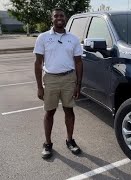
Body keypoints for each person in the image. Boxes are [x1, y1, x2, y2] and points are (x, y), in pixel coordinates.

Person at [33, 8, 83, 159]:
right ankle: (47, 144)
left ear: (65, 18)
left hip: (69, 79)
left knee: (69, 111)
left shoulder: (73, 39)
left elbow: (79, 63)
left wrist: (78, 84)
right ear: (52, 19)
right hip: (51, 79)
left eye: (62, 15)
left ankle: (70, 140)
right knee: (49, 112)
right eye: (56, 16)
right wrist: (39, 87)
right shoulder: (43, 37)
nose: (59, 18)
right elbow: (38, 62)